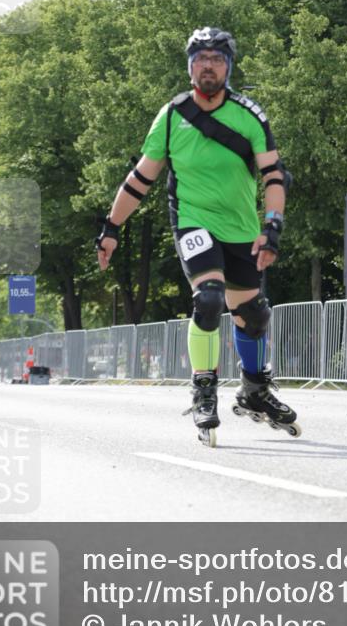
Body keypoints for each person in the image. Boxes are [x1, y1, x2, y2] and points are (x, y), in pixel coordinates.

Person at [96, 26, 300, 446]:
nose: (209, 65)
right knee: (208, 300)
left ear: (229, 67)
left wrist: (272, 227)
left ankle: (255, 391)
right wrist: (111, 228)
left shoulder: (249, 115)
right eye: (201, 58)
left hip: (241, 229)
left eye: (217, 59)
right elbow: (140, 179)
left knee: (254, 315)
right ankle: (204, 390)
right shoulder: (172, 116)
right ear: (190, 67)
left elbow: (274, 175)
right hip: (193, 222)